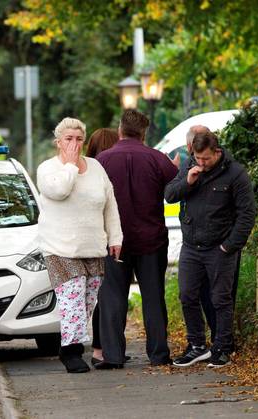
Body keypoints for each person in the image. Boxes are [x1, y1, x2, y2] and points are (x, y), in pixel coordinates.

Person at [37, 117, 122, 373]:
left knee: (87, 302)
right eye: (69, 139)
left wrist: (115, 238)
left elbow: (110, 204)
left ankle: (70, 345)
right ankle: (72, 352)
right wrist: (72, 166)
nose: (74, 144)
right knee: (72, 299)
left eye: (79, 139)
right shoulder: (48, 169)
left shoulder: (96, 167)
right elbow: (60, 190)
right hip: (60, 248)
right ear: (58, 142)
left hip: (93, 246)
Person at [165, 129, 255, 368]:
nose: (201, 163)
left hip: (220, 247)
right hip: (191, 246)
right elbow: (170, 194)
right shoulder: (190, 166)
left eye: (206, 158)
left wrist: (229, 246)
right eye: (197, 158)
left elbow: (246, 214)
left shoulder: (236, 174)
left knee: (220, 299)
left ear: (217, 151)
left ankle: (222, 347)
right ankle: (196, 345)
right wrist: (188, 181)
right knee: (187, 296)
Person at [96, 109, 178, 368]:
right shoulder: (158, 159)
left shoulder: (103, 161)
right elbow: (176, 185)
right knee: (153, 296)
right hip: (151, 240)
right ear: (144, 132)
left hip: (113, 242)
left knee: (112, 297)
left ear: (120, 129)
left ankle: (112, 356)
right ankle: (158, 354)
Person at [83, 127, 121, 365]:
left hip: (93, 240)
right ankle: (105, 348)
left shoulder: (88, 171)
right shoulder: (109, 171)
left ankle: (99, 349)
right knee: (109, 297)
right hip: (110, 240)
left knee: (100, 298)